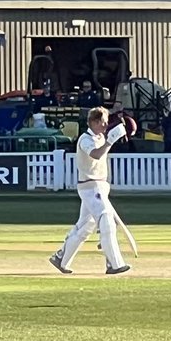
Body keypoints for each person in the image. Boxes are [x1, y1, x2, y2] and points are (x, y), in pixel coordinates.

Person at [49, 106, 131, 276]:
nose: (105, 125)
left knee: (84, 227)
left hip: (99, 186)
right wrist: (110, 141)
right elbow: (96, 154)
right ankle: (114, 263)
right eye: (103, 122)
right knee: (106, 219)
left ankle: (61, 258)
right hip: (90, 186)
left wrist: (113, 134)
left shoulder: (100, 136)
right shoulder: (85, 139)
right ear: (94, 122)